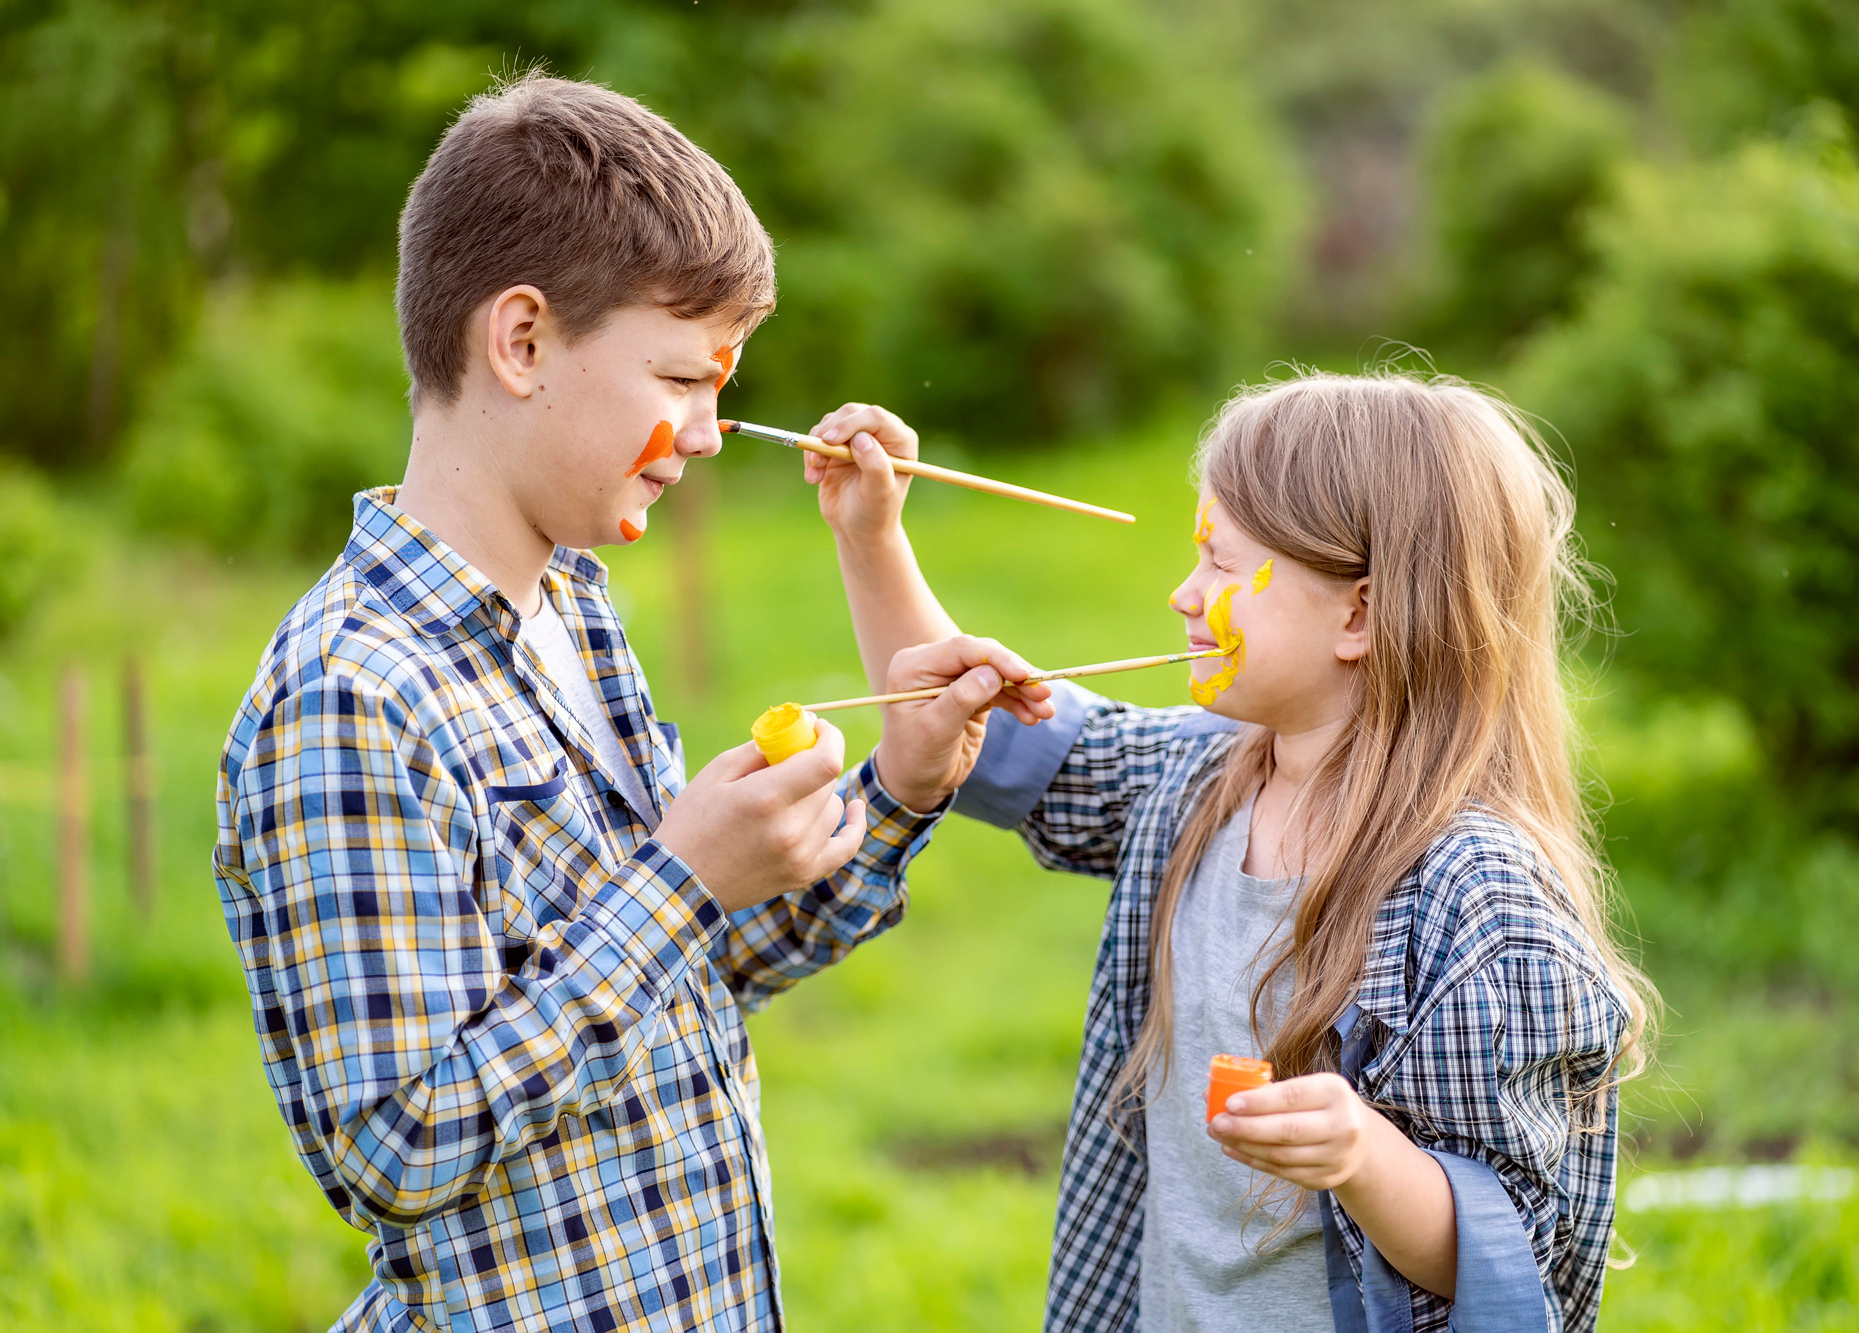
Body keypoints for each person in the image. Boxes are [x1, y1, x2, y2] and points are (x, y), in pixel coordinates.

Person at [211, 75, 1052, 1333]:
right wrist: (679, 878)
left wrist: (900, 786)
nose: (708, 435)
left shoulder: (577, 612)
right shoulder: (350, 696)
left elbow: (684, 974)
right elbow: (398, 1147)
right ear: (523, 341)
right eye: (683, 379)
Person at [805, 375, 1656, 1332]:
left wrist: (1365, 1157)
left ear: (1360, 616)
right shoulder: (1196, 781)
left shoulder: (1476, 893)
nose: (1182, 592)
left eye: (1220, 564)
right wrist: (870, 538)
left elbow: (1513, 1258)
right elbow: (977, 736)